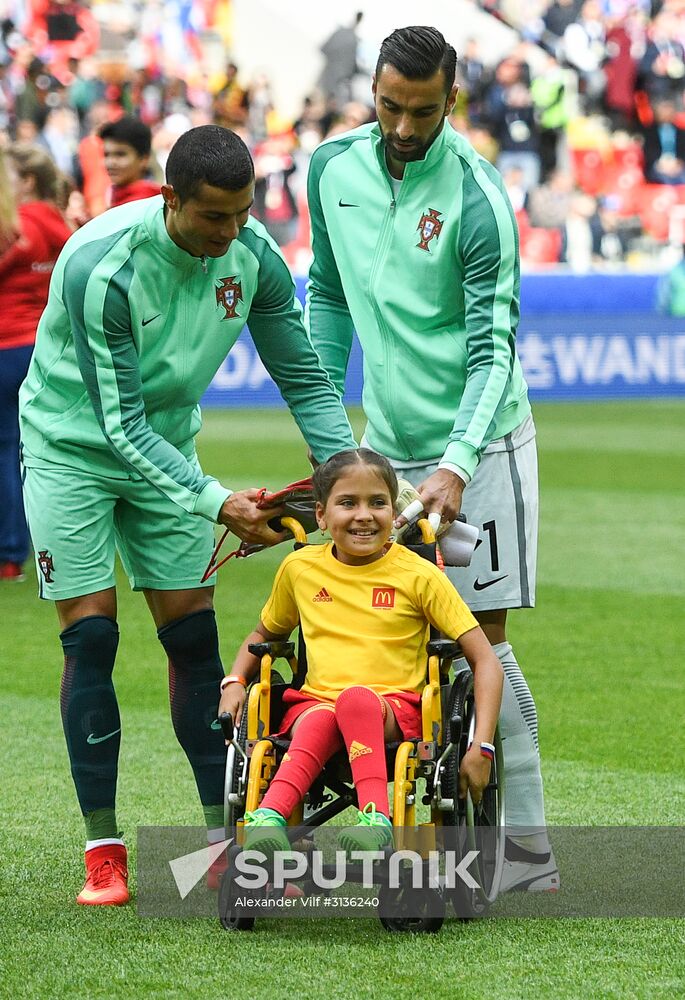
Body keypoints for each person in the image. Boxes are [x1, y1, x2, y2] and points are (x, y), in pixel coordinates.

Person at [18, 124, 357, 907]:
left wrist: (345, 476)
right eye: (214, 217)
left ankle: (224, 843)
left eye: (241, 213)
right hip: (74, 446)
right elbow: (118, 425)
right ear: (169, 199)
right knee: (92, 636)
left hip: (166, 442)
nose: (231, 232)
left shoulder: (253, 255)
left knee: (193, 641)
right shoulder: (103, 267)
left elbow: (303, 375)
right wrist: (219, 503)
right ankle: (103, 849)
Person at [305, 25, 558, 892]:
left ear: (450, 99)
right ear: (369, 92)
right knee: (389, 637)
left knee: (481, 640)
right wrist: (330, 437)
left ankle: (526, 855)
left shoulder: (481, 198)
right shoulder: (329, 168)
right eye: (387, 107)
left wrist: (454, 462)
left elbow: (494, 350)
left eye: (421, 111)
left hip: (479, 446)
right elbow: (328, 300)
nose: (403, 127)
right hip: (384, 447)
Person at [218, 449, 503, 853]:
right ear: (320, 515)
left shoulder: (419, 574)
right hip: (316, 705)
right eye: (348, 503)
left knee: (353, 702)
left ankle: (375, 817)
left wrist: (482, 746)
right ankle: (269, 819)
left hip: (398, 711)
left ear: (393, 511)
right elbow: (263, 633)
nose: (364, 515)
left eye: (377, 503)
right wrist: (235, 681)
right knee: (322, 715)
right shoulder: (299, 571)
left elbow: (485, 659)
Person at [0, 144, 71, 582]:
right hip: (45, 349)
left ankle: (10, 551)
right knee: (45, 453)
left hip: (6, 344)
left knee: (7, 450)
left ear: (25, 181)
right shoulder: (63, 223)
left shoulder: (19, 225)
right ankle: (51, 543)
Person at [99, 115, 160, 207]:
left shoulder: (145, 205)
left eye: (120, 154)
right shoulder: (115, 197)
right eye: (106, 154)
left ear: (144, 159)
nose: (110, 162)